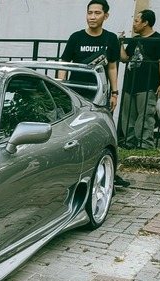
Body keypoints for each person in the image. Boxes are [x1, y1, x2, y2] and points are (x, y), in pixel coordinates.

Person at [58, 0, 129, 187]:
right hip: (75, 93)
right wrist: (61, 89)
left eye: (97, 13)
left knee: (101, 133)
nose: (92, 17)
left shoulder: (110, 39)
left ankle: (107, 172)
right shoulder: (76, 37)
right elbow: (64, 64)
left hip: (99, 93)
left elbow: (112, 67)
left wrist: (115, 92)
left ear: (106, 16)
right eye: (89, 12)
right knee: (72, 132)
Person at [119, 9, 160, 150]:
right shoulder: (135, 40)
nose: (134, 24)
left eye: (136, 21)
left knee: (146, 115)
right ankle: (130, 142)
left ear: (146, 22)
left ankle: (145, 144)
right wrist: (121, 44)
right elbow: (125, 58)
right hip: (131, 83)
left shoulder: (159, 40)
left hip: (148, 84)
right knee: (128, 115)